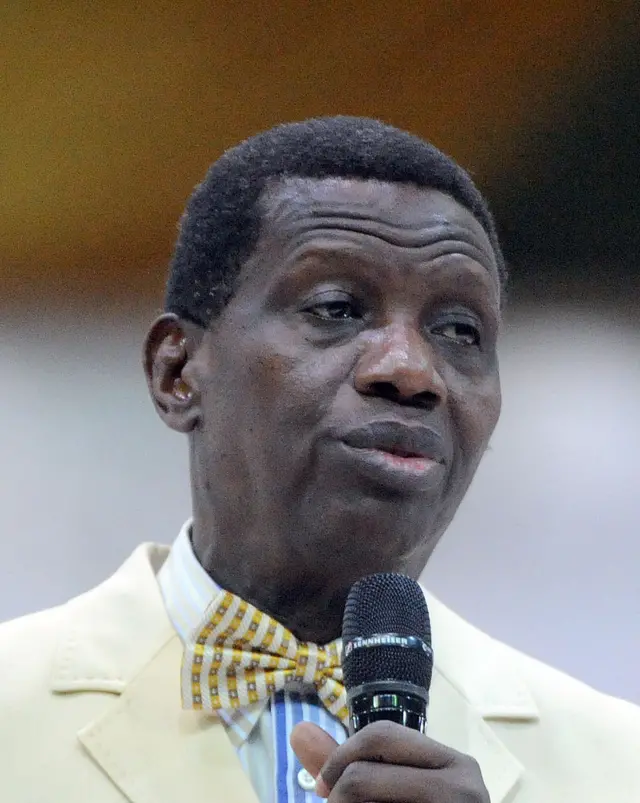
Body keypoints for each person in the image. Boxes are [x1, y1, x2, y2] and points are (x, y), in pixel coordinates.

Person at [0, 116, 638, 803]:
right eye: (337, 308)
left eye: (460, 330)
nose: (411, 370)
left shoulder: (617, 763)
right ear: (177, 371)